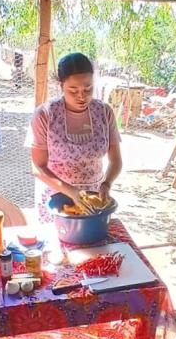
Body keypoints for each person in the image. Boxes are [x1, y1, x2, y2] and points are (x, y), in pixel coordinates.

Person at [28, 52, 122, 221]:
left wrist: (106, 184)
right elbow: (38, 166)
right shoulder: (45, 115)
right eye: (73, 90)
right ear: (60, 86)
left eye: (88, 88)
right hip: (56, 197)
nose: (82, 96)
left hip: (93, 199)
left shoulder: (103, 112)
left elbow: (115, 160)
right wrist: (71, 192)